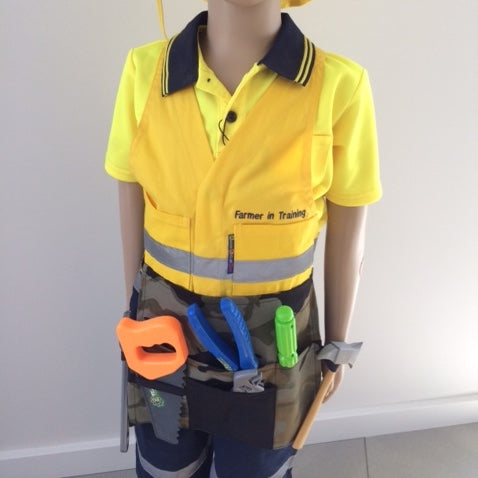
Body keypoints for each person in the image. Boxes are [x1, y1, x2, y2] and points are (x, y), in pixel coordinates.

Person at [105, 0, 382, 476]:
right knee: (165, 465)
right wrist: (133, 313)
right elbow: (130, 196)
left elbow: (350, 229)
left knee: (255, 470)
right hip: (161, 337)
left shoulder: (339, 85)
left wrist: (336, 347)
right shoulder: (145, 72)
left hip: (274, 347)